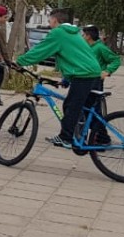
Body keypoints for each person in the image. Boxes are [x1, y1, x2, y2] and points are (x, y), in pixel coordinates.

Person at [15, 10, 102, 148]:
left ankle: (65, 138)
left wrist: (20, 61)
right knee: (85, 108)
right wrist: (67, 79)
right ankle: (97, 138)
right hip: (92, 73)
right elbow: (75, 57)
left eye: (49, 21)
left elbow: (41, 50)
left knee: (70, 106)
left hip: (84, 75)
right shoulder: (74, 33)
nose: (49, 24)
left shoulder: (59, 33)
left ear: (55, 20)